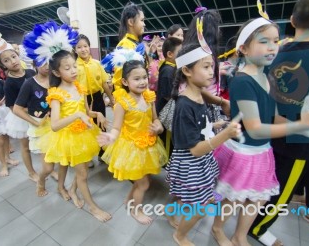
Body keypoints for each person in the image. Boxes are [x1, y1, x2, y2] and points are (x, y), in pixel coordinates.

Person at [249, 0, 309, 244]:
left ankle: (251, 219)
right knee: (281, 192)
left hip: (268, 132)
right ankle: (258, 228)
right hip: (298, 140)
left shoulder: (275, 52)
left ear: (292, 20)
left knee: (264, 182)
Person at [25, 21, 111, 222]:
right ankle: (92, 207)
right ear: (56, 72)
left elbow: (85, 110)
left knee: (82, 173)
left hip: (84, 133)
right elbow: (54, 125)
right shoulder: (56, 94)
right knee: (82, 174)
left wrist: (96, 114)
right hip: (70, 137)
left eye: (74, 66)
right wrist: (78, 116)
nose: (73, 70)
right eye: (67, 68)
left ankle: (72, 190)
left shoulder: (78, 88)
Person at [165, 41, 242, 246]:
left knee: (191, 197)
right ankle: (179, 235)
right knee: (199, 209)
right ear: (187, 71)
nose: (212, 72)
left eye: (212, 67)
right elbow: (196, 149)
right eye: (206, 67)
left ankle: (174, 214)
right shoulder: (184, 106)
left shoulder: (197, 92)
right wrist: (225, 134)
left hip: (201, 161)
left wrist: (220, 104)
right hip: (192, 161)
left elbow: (205, 100)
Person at [98, 59, 168, 225]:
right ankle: (136, 209)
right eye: (136, 79)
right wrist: (110, 137)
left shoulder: (149, 97)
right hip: (131, 147)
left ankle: (130, 199)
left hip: (149, 146)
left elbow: (156, 119)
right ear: (125, 82)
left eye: (144, 77)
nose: (142, 81)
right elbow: (116, 127)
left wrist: (158, 127)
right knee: (143, 183)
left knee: (143, 179)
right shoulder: (122, 103)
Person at [13, 60, 58, 181]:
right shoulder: (29, 84)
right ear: (35, 65)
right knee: (46, 156)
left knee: (53, 153)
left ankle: (51, 171)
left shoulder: (56, 80)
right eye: (43, 63)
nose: (47, 66)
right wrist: (35, 122)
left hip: (55, 122)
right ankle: (41, 180)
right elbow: (17, 109)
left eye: (49, 62)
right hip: (39, 124)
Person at [0, 39, 36, 177]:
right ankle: (31, 172)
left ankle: (51, 170)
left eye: (13, 57)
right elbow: (12, 107)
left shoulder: (31, 72)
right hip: (22, 117)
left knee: (43, 143)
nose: (12, 61)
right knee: (26, 147)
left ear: (18, 56)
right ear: (3, 65)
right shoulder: (9, 83)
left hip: (38, 113)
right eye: (7, 60)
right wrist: (30, 110)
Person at [75, 34, 114, 167]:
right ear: (75, 50)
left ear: (89, 47)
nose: (83, 49)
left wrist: (111, 98)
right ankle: (87, 156)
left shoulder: (97, 63)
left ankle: (102, 154)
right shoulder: (74, 66)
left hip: (97, 98)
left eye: (85, 46)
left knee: (100, 125)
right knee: (85, 128)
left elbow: (104, 83)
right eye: (79, 47)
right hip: (81, 100)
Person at [155, 37, 182, 156]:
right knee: (167, 141)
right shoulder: (168, 71)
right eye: (180, 53)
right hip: (166, 113)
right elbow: (167, 95)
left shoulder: (170, 67)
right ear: (170, 54)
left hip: (167, 111)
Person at [112, 2, 145, 89]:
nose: (144, 24)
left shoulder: (135, 43)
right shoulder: (125, 45)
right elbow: (119, 78)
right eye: (142, 20)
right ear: (130, 22)